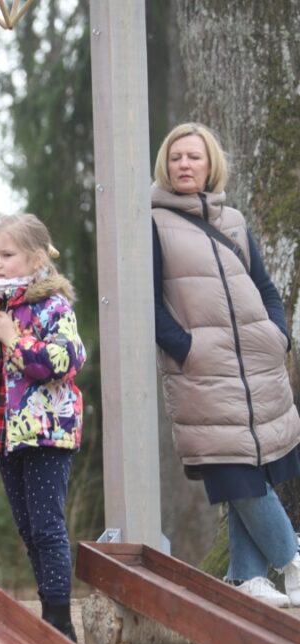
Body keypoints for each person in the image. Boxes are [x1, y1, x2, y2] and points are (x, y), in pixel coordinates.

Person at [151, 122, 300, 607]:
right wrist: (185, 347)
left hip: (258, 367)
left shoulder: (234, 221)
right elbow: (147, 303)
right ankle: (293, 560)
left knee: (251, 467)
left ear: (211, 163)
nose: (185, 165)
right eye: (176, 158)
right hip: (204, 373)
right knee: (233, 469)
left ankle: (248, 578)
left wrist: (276, 335)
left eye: (194, 156)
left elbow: (266, 287)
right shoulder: (151, 223)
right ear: (165, 166)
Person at [0, 214, 85, 641]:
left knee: (47, 528)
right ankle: (49, 613)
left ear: (37, 257)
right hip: (5, 433)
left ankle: (60, 622)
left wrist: (14, 340)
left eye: (7, 255)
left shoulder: (54, 306)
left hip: (46, 432)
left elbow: (63, 362)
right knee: (28, 529)